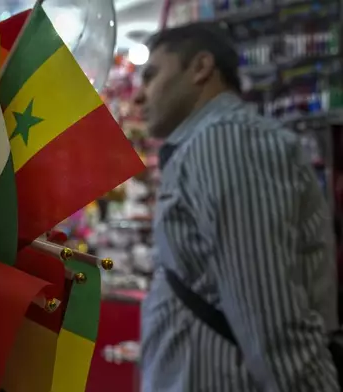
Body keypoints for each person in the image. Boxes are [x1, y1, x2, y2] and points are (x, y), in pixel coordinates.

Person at [133, 22, 339, 391]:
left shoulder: (227, 140)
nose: (138, 97)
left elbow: (270, 315)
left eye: (150, 75)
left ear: (200, 67)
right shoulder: (208, 144)